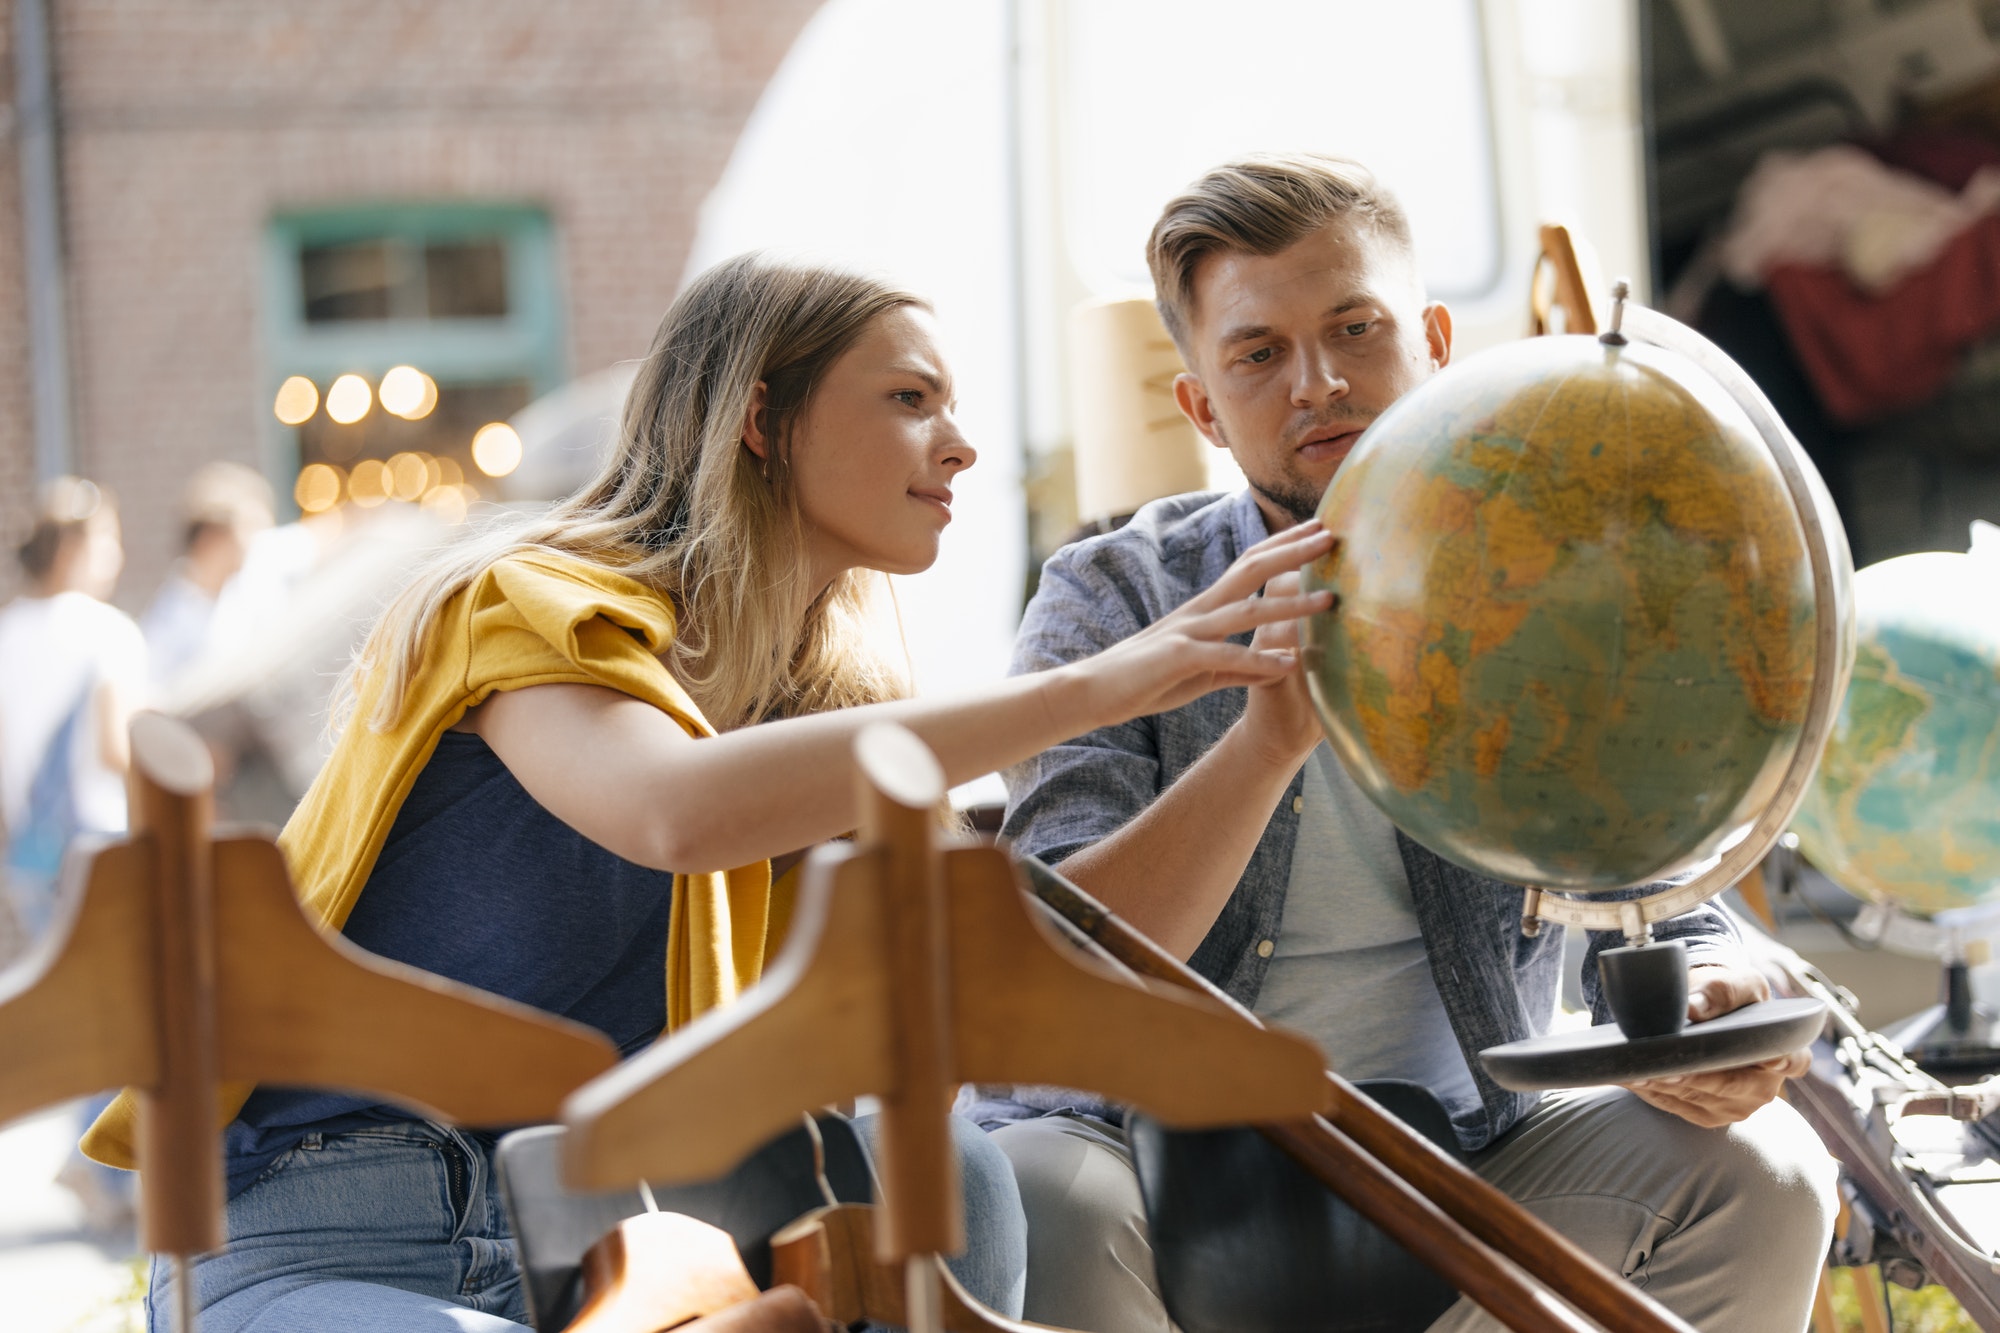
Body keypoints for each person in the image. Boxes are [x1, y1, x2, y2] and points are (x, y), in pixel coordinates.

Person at [81, 253, 1336, 1332]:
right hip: (333, 1232)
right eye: (908, 400)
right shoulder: (517, 606)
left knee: (956, 1171)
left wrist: (1265, 743)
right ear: (757, 417)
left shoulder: (823, 727)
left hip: (612, 1248)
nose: (957, 443)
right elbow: (674, 811)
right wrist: (1104, 686)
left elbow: (1026, 987)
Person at [983, 154, 1837, 1333]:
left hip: (1471, 1153)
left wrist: (1711, 986)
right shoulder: (1112, 595)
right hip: (1148, 1153)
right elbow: (1059, 978)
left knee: (1766, 1175)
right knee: (1036, 1198)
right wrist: (1265, 741)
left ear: (1431, 340)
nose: (1318, 382)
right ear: (1201, 407)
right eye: (1256, 354)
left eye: (1355, 328)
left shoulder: (1550, 568)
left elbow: (1648, 884)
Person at [0, 477, 147, 946]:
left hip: (30, 852)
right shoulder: (105, 631)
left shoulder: (7, 632)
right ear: (71, 548)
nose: (117, 556)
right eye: (109, 540)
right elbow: (117, 750)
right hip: (101, 846)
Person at [141, 461, 275, 688]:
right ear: (212, 539)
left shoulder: (253, 586)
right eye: (246, 530)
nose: (253, 543)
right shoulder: (169, 621)